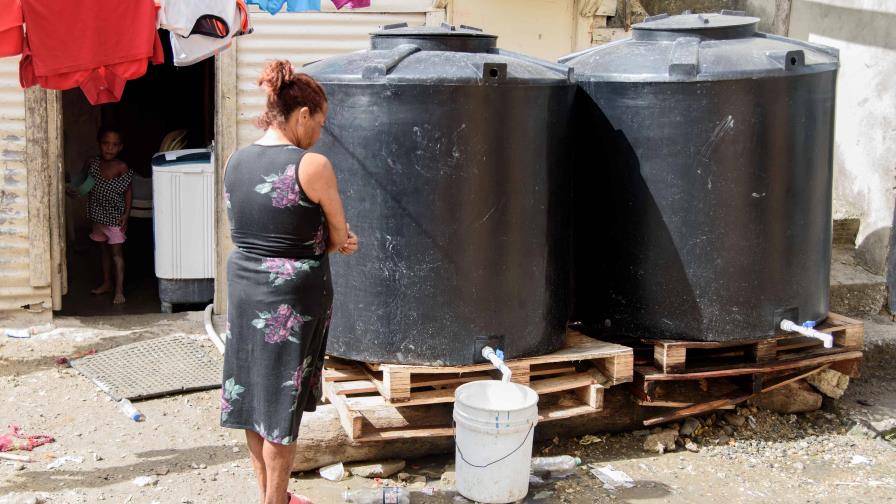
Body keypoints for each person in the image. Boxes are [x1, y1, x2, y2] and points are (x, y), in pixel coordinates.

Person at [220, 60, 358, 504]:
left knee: (252, 394)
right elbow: (338, 236)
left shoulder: (234, 161)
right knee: (282, 402)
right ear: (302, 115)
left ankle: (268, 494)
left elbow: (245, 228)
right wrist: (343, 242)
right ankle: (275, 501)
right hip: (291, 298)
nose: (320, 131)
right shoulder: (312, 165)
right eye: (320, 121)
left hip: (243, 286)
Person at [74, 126, 133, 304]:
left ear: (120, 147)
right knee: (104, 251)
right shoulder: (93, 164)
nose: (109, 148)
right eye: (106, 143)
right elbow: (85, 184)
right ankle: (107, 283)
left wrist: (126, 215)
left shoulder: (121, 167)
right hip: (98, 216)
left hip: (115, 218)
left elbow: (128, 192)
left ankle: (119, 290)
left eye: (114, 145)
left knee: (116, 254)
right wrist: (74, 189)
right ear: (99, 144)